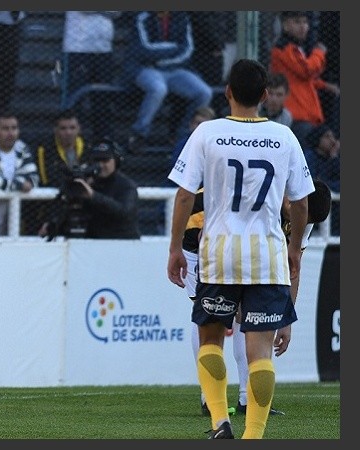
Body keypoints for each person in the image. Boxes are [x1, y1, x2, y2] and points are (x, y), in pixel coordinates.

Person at [167, 58, 315, 439]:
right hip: (267, 255)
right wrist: (294, 248)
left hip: (218, 254)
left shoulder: (208, 132)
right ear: (265, 95)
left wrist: (175, 247)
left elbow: (184, 195)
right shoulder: (284, 137)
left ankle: (220, 421)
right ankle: (253, 436)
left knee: (210, 339)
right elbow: (301, 203)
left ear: (227, 92)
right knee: (260, 353)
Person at [122, 11, 213, 153]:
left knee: (204, 92)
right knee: (158, 88)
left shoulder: (182, 18)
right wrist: (173, 48)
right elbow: (143, 49)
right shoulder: (142, 18)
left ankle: (184, 134)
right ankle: (139, 134)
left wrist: (161, 57)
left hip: (175, 69)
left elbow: (187, 50)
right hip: (146, 68)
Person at [39, 139, 140, 240]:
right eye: (97, 161)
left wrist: (93, 195)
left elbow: (124, 213)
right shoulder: (89, 182)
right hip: (93, 241)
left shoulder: (126, 185)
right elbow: (68, 209)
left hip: (123, 241)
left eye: (105, 160)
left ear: (116, 161)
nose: (101, 165)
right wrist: (52, 224)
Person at [269, 11, 340, 145]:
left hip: (305, 114)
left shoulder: (295, 47)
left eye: (305, 22)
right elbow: (306, 71)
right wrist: (319, 53)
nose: (303, 27)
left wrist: (325, 85)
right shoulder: (284, 48)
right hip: (297, 115)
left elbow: (302, 78)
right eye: (297, 22)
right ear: (285, 25)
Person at [34, 109, 94, 237]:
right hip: (54, 205)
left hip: (85, 204)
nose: (68, 132)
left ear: (79, 129)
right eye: (63, 128)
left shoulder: (89, 147)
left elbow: (93, 177)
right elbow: (47, 179)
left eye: (72, 128)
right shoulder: (44, 149)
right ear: (55, 130)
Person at [60, 11, 122, 109]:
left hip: (104, 49)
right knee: (76, 94)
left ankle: (101, 118)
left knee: (103, 95)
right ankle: (74, 117)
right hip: (78, 48)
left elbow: (117, 12)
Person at [302, 124, 340, 193]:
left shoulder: (333, 157)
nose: (333, 140)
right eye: (327, 137)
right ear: (318, 138)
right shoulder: (309, 156)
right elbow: (312, 181)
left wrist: (334, 158)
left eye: (333, 136)